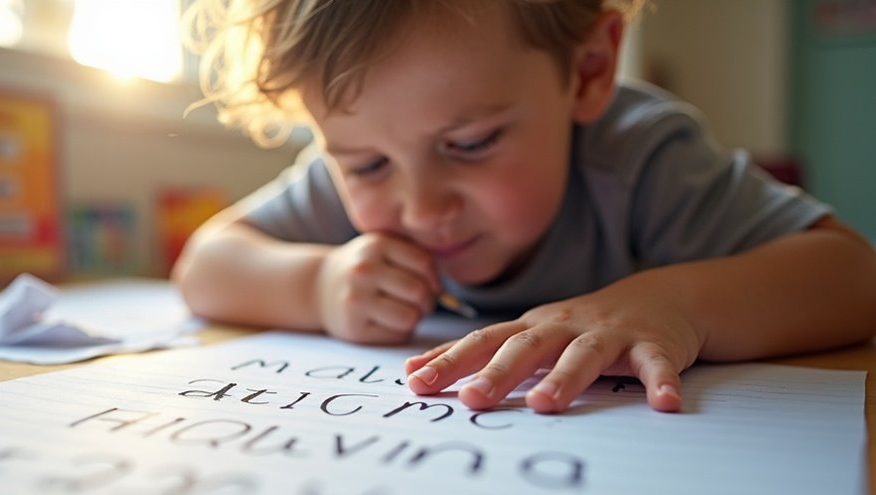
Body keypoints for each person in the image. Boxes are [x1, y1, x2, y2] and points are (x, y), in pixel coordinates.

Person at [171, 0, 876, 415]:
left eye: (470, 143)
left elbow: (849, 276)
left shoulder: (641, 160)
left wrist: (677, 303)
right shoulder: (351, 178)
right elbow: (206, 264)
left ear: (589, 70)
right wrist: (317, 285)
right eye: (367, 165)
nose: (419, 206)